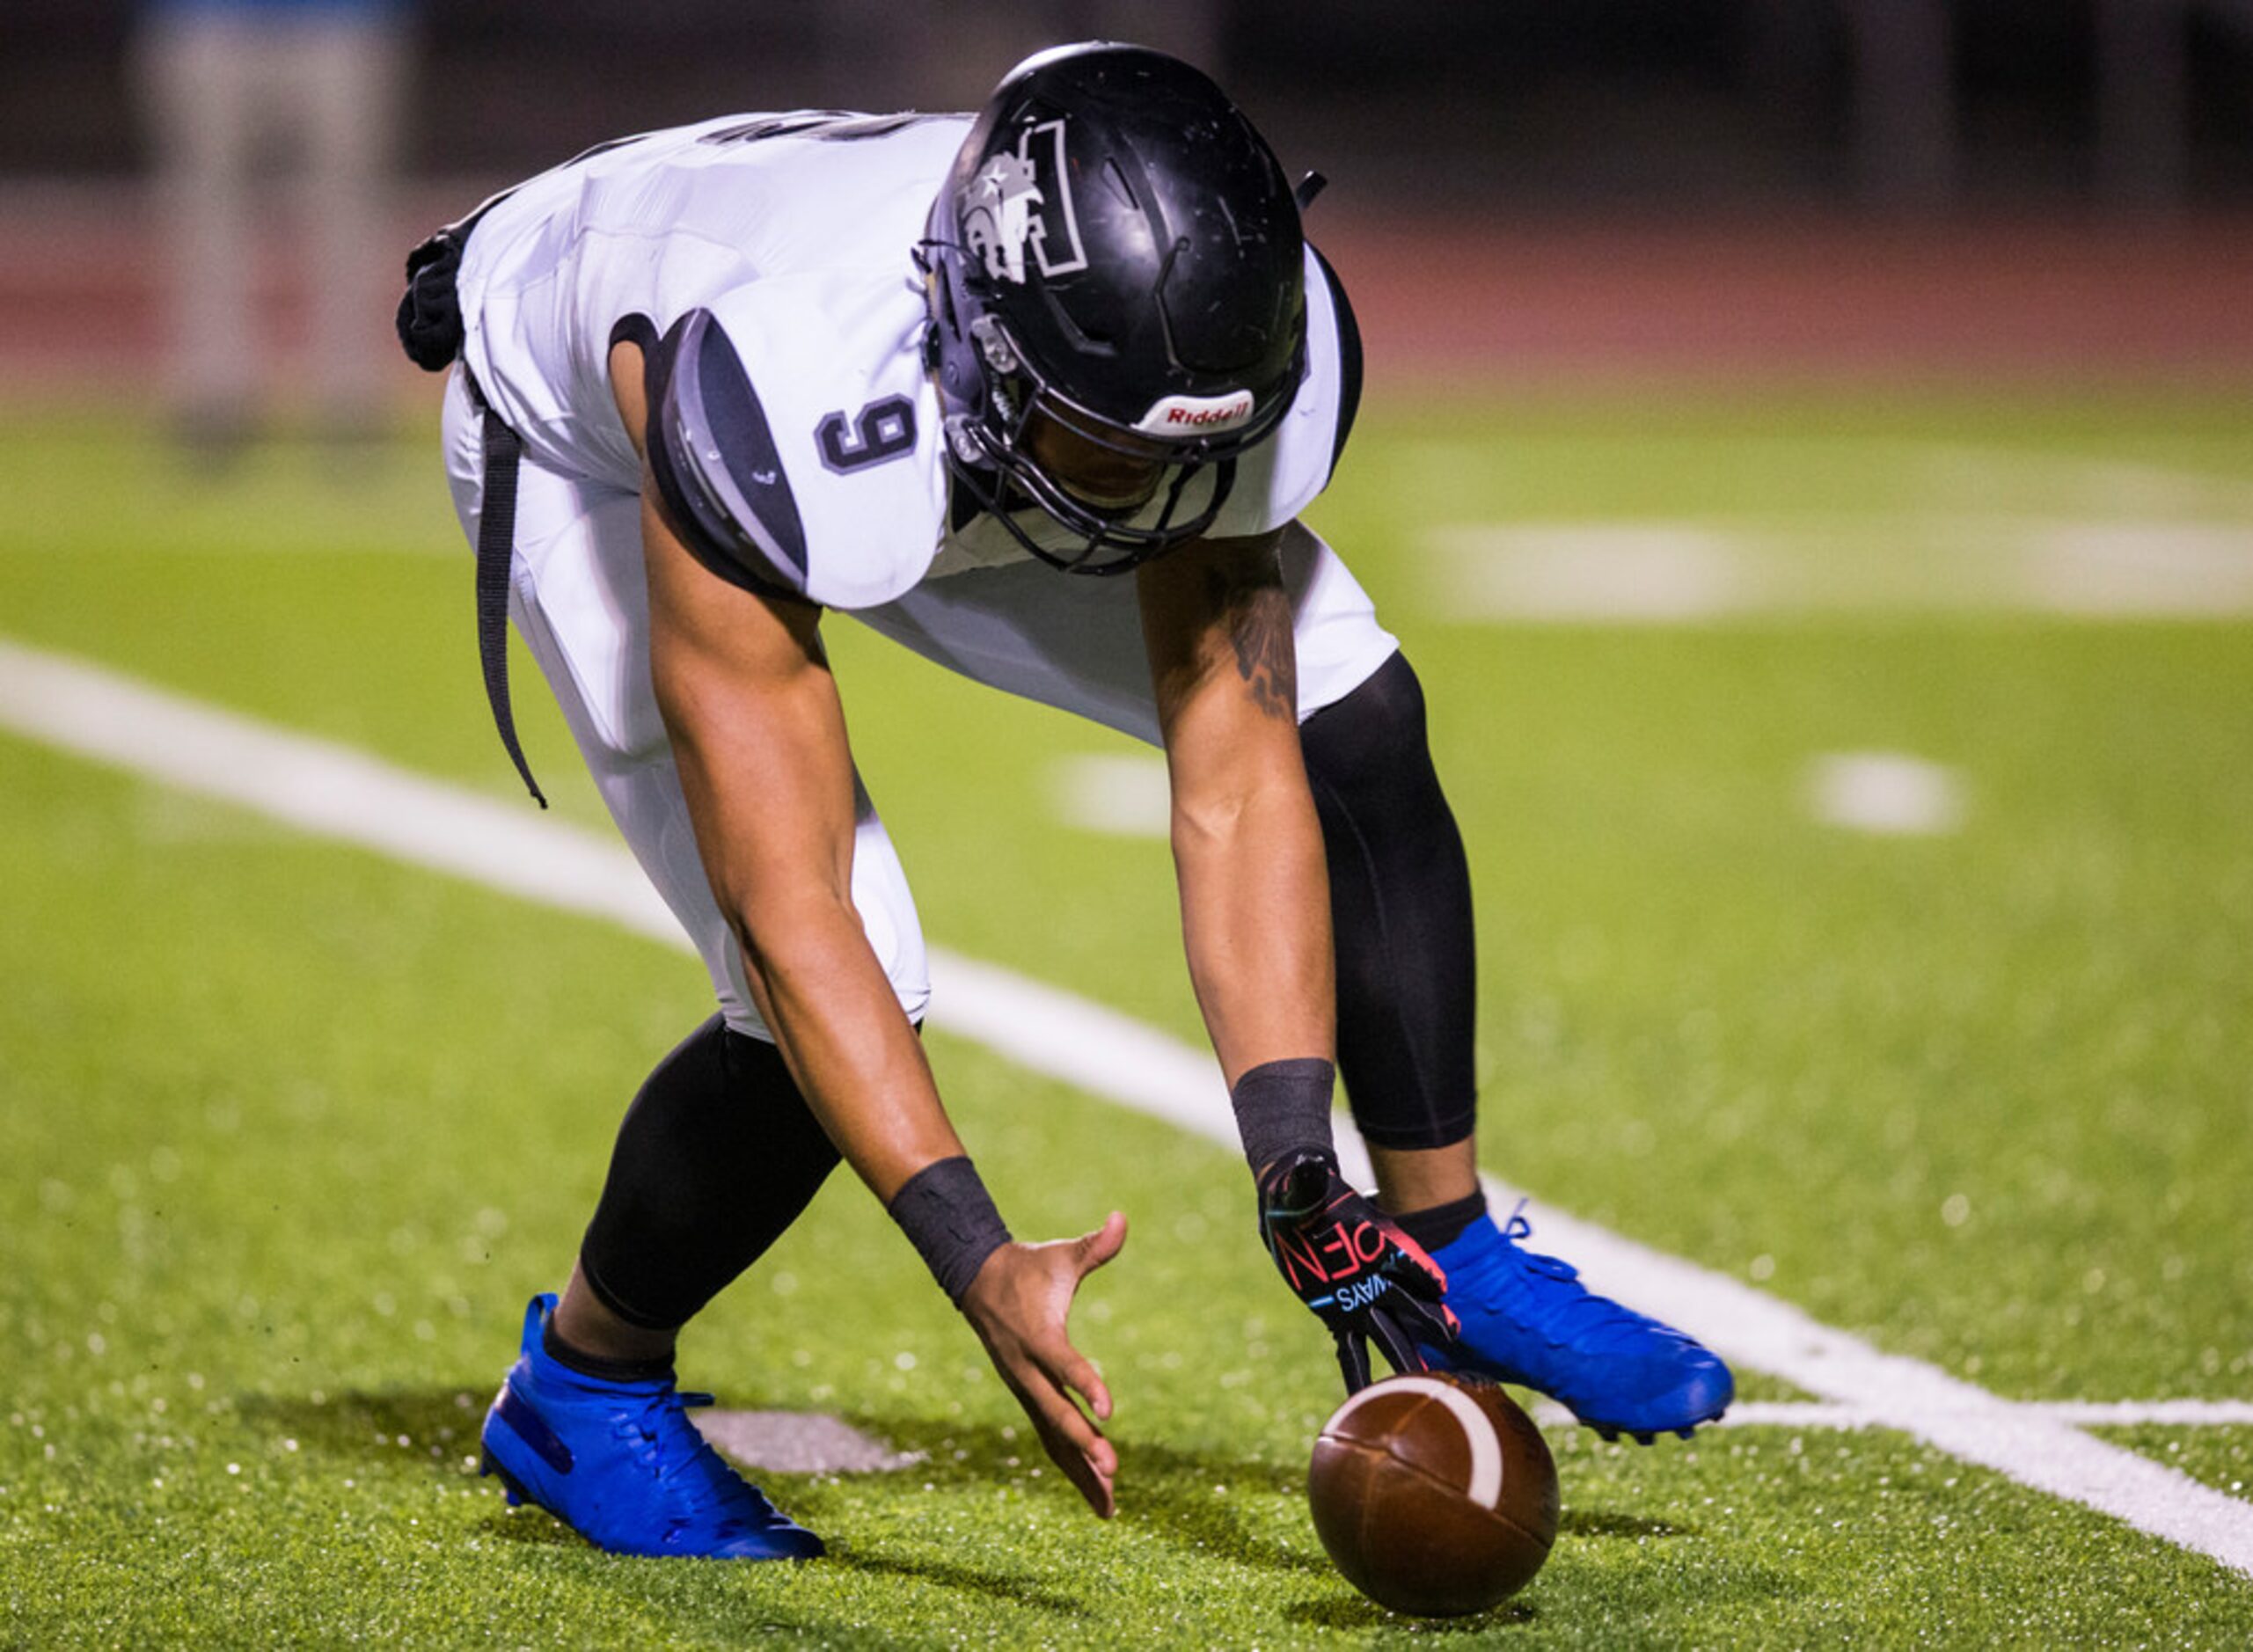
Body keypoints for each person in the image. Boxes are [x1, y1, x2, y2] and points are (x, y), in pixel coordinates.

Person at [398, 42, 1733, 1561]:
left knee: (1349, 707)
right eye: (1106, 445)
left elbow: (1238, 773)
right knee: (831, 999)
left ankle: (1450, 1243)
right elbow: (793, 908)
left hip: (979, 424)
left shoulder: (1191, 340)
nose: (1155, 501)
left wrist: (1301, 1171)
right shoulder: (783, 383)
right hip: (605, 435)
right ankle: (584, 1376)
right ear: (974, 342)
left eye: (1186, 451)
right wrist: (975, 1253)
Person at [135, 0, 413, 453]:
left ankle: (351, 400)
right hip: (204, 19)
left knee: (350, 214)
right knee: (204, 212)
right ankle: (214, 395)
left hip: (345, 20)